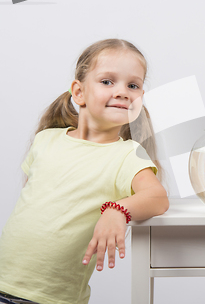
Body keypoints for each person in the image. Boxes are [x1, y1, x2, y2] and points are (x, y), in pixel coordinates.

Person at [0, 39, 169, 304]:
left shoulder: (126, 155)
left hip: (50, 299)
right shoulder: (46, 139)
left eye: (133, 85)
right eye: (107, 81)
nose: (123, 92)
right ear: (79, 92)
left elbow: (157, 197)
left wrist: (117, 210)